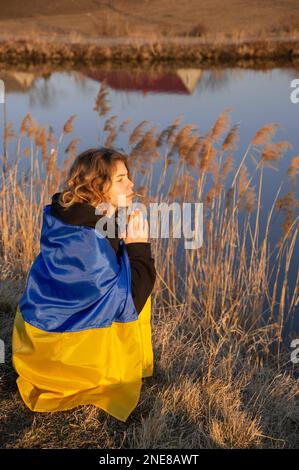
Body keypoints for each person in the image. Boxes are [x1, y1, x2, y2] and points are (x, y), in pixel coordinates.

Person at [11, 147, 156, 422]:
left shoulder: (66, 219)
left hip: (37, 344)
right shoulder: (90, 243)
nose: (132, 184)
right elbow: (128, 303)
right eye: (121, 178)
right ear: (98, 187)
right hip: (65, 360)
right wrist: (138, 249)